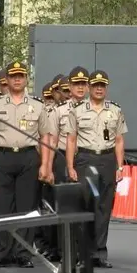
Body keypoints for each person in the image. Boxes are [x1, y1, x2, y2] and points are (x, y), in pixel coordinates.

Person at [0, 61, 51, 268]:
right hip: (2, 157)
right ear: (7, 80)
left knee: (26, 207)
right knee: (1, 207)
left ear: (26, 78)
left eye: (21, 75)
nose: (17, 79)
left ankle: (23, 253)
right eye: (13, 76)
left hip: (28, 158)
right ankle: (1, 253)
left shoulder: (38, 106)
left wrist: (45, 164)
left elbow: (46, 136)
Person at [65, 70, 126, 268]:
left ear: (106, 88)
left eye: (103, 85)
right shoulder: (78, 110)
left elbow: (118, 140)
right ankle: (83, 253)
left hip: (107, 160)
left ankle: (99, 253)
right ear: (90, 87)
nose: (99, 89)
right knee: (86, 206)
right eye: (96, 85)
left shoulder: (115, 111)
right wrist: (70, 166)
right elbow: (71, 139)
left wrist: (120, 166)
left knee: (104, 207)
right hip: (86, 159)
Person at [38, 67, 90, 262]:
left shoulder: (91, 108)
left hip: (83, 158)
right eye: (69, 89)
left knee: (83, 207)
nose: (73, 92)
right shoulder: (59, 111)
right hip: (61, 158)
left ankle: (83, 250)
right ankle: (62, 250)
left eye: (81, 85)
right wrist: (49, 166)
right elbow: (51, 140)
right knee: (62, 207)